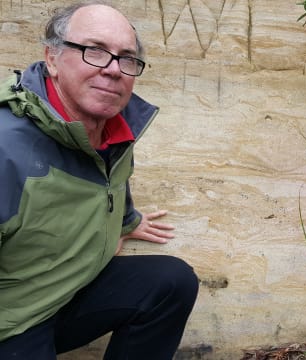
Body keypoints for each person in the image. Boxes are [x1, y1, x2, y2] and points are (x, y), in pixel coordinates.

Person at [0, 1, 199, 359]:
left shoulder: (112, 126)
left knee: (172, 281)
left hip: (67, 295)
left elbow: (108, 178)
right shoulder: (5, 145)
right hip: (12, 321)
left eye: (126, 58)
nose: (113, 70)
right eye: (95, 51)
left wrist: (124, 222)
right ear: (53, 58)